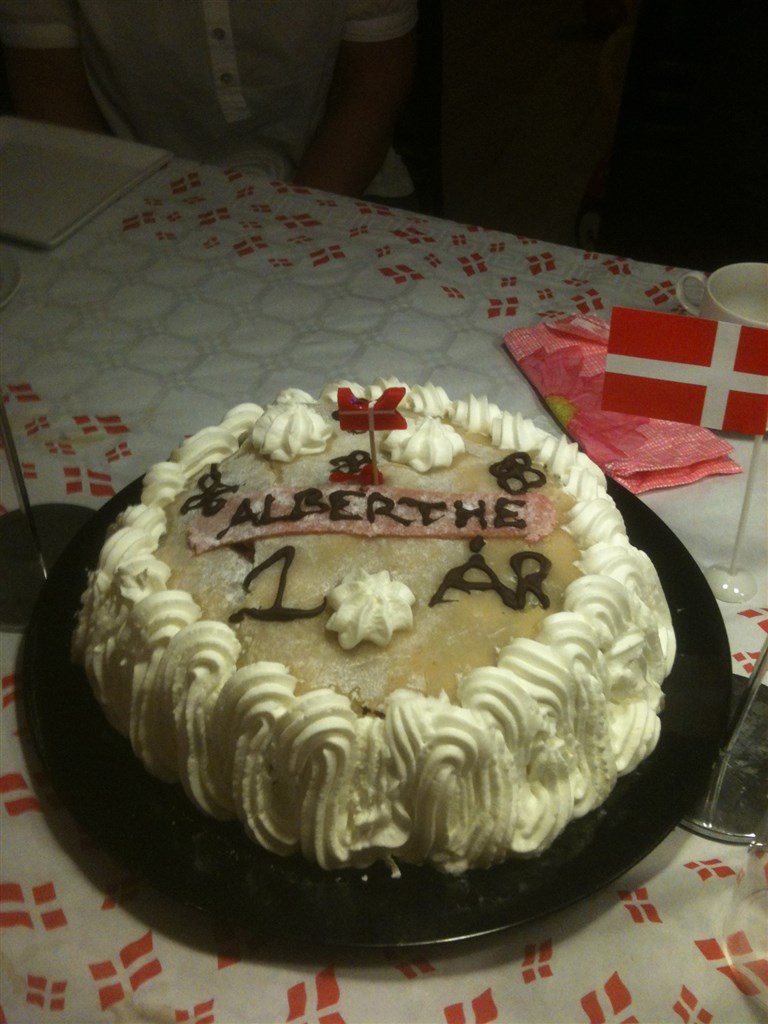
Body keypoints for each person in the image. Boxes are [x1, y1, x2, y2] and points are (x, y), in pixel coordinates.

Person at [0, 0, 418, 199]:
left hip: (338, 183)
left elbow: (371, 86)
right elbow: (49, 96)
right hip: (122, 192)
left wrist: (299, 218)